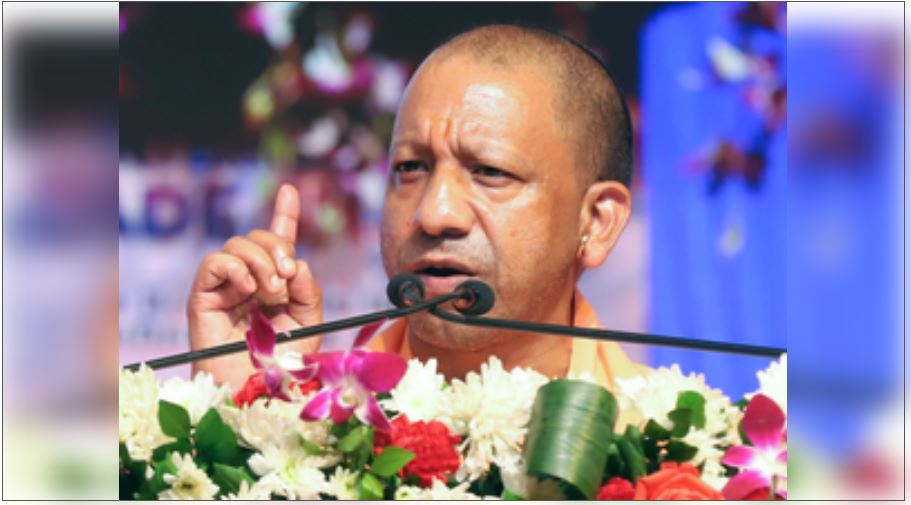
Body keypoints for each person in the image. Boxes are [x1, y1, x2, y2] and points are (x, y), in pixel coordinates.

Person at [187, 24, 648, 390]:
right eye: (410, 168)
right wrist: (243, 412)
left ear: (597, 221)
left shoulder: (667, 448)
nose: (433, 213)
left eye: (490, 171)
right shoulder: (314, 417)